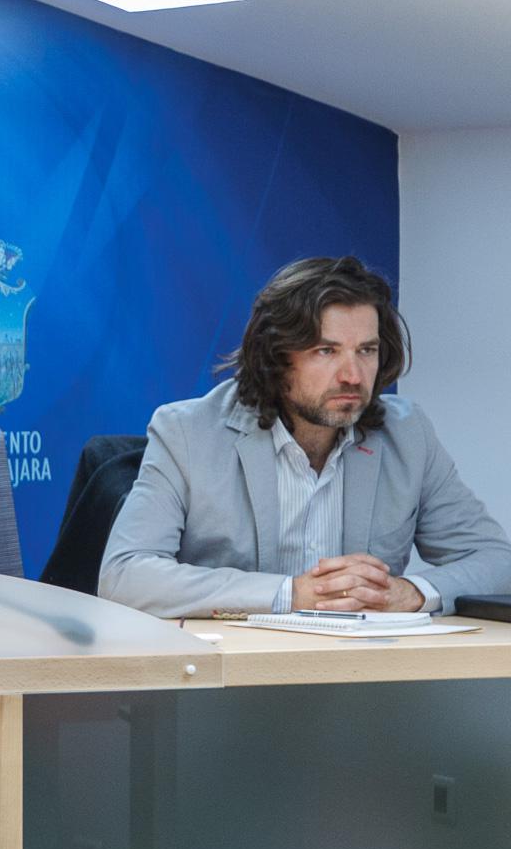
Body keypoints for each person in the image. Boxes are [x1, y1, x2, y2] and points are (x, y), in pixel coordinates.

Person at [100, 256, 511, 618]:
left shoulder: (407, 435)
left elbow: (496, 561)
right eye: (326, 351)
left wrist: (411, 593)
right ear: (276, 357)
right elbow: (125, 575)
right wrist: (290, 594)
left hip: (362, 671)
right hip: (231, 672)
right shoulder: (187, 433)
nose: (353, 375)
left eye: (366, 351)